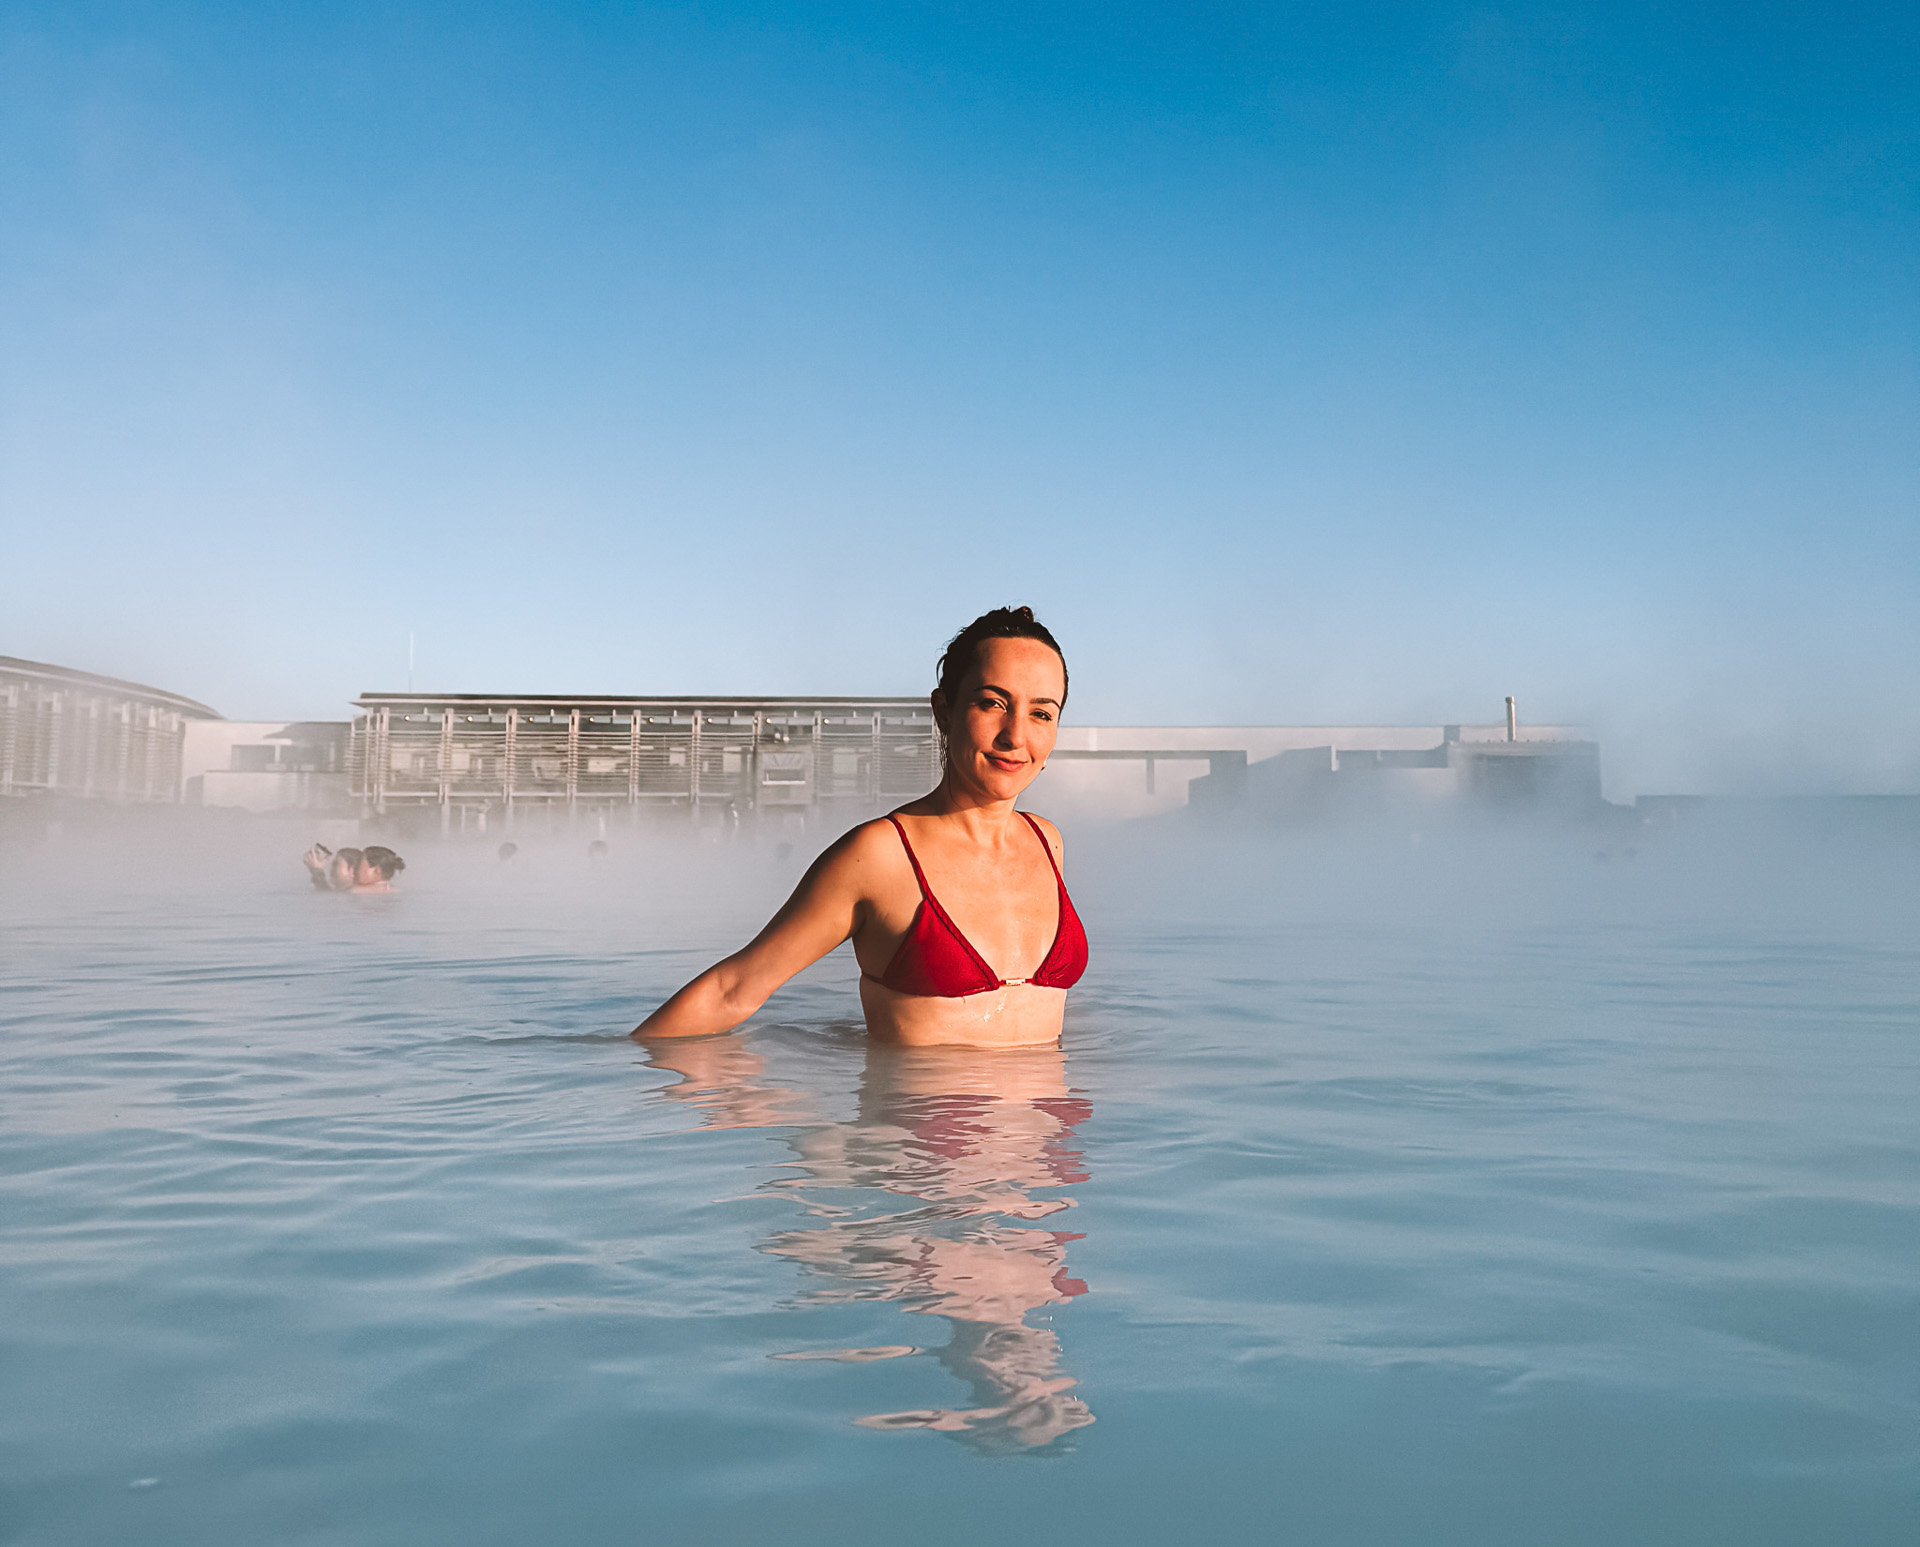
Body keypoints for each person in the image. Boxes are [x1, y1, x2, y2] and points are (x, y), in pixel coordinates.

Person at [633, 606, 1087, 1048]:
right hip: (922, 1123)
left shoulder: (1046, 842)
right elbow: (733, 989)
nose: (1016, 736)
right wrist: (623, 1086)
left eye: (1041, 713)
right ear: (944, 712)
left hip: (1049, 1124)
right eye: (992, 703)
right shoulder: (879, 855)